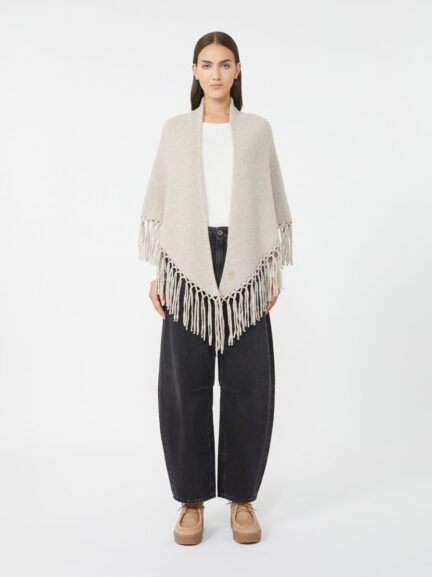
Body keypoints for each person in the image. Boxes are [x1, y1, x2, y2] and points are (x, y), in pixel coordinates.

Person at [138, 31, 293, 545]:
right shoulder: (175, 131)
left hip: (244, 260)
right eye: (207, 64)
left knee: (250, 387)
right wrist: (162, 272)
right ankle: (191, 501)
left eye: (225, 64)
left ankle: (242, 498)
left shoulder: (257, 131)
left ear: (238, 70)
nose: (216, 74)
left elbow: (268, 201)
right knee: (185, 386)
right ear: (194, 71)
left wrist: (268, 270)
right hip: (187, 264)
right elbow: (170, 206)